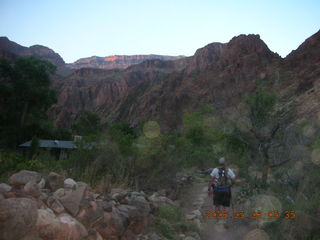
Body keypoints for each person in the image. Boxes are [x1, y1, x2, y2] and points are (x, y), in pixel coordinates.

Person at [208, 157, 236, 228]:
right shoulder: (229, 170)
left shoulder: (215, 170)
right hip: (226, 190)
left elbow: (211, 180)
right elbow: (233, 180)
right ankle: (225, 221)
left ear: (219, 163)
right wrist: (230, 185)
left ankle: (217, 221)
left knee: (217, 205)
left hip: (217, 190)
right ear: (225, 162)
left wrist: (209, 189)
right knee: (225, 206)